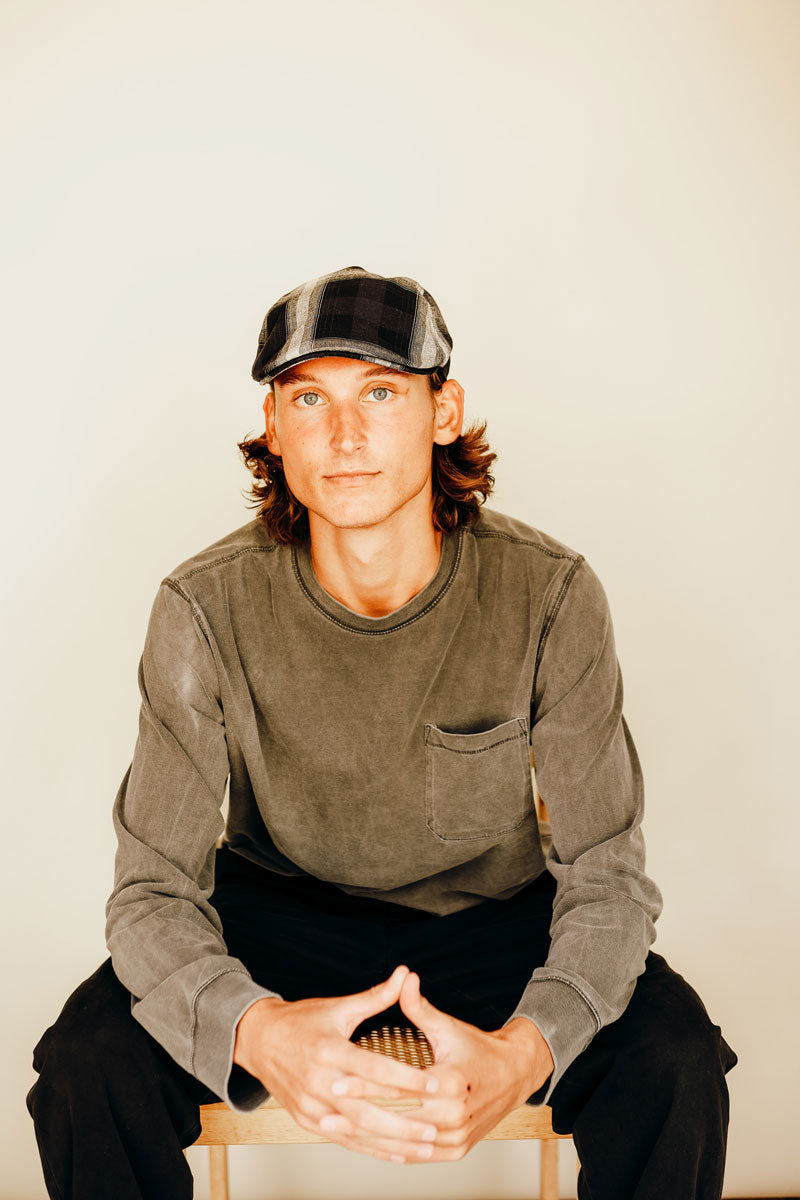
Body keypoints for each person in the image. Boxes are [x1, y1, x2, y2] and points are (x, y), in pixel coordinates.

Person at [27, 265, 737, 1199]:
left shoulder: (550, 593)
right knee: (85, 1064)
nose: (346, 434)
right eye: (309, 396)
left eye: (382, 392)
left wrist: (524, 1055)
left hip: (496, 920)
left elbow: (607, 877)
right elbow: (152, 894)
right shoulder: (202, 607)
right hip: (279, 914)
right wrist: (254, 1028)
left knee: (677, 1062)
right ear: (274, 426)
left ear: (444, 412)